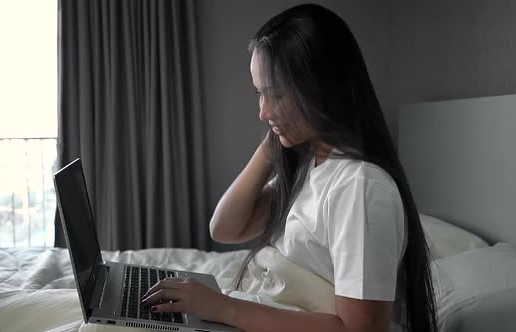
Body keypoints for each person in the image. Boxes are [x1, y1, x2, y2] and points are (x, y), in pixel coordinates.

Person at [141, 4, 438, 332]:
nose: (263, 112)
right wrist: (271, 148)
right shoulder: (311, 164)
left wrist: (224, 308)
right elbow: (224, 228)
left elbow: (361, 330)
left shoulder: (360, 187)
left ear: (322, 87)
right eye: (259, 94)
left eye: (276, 94)